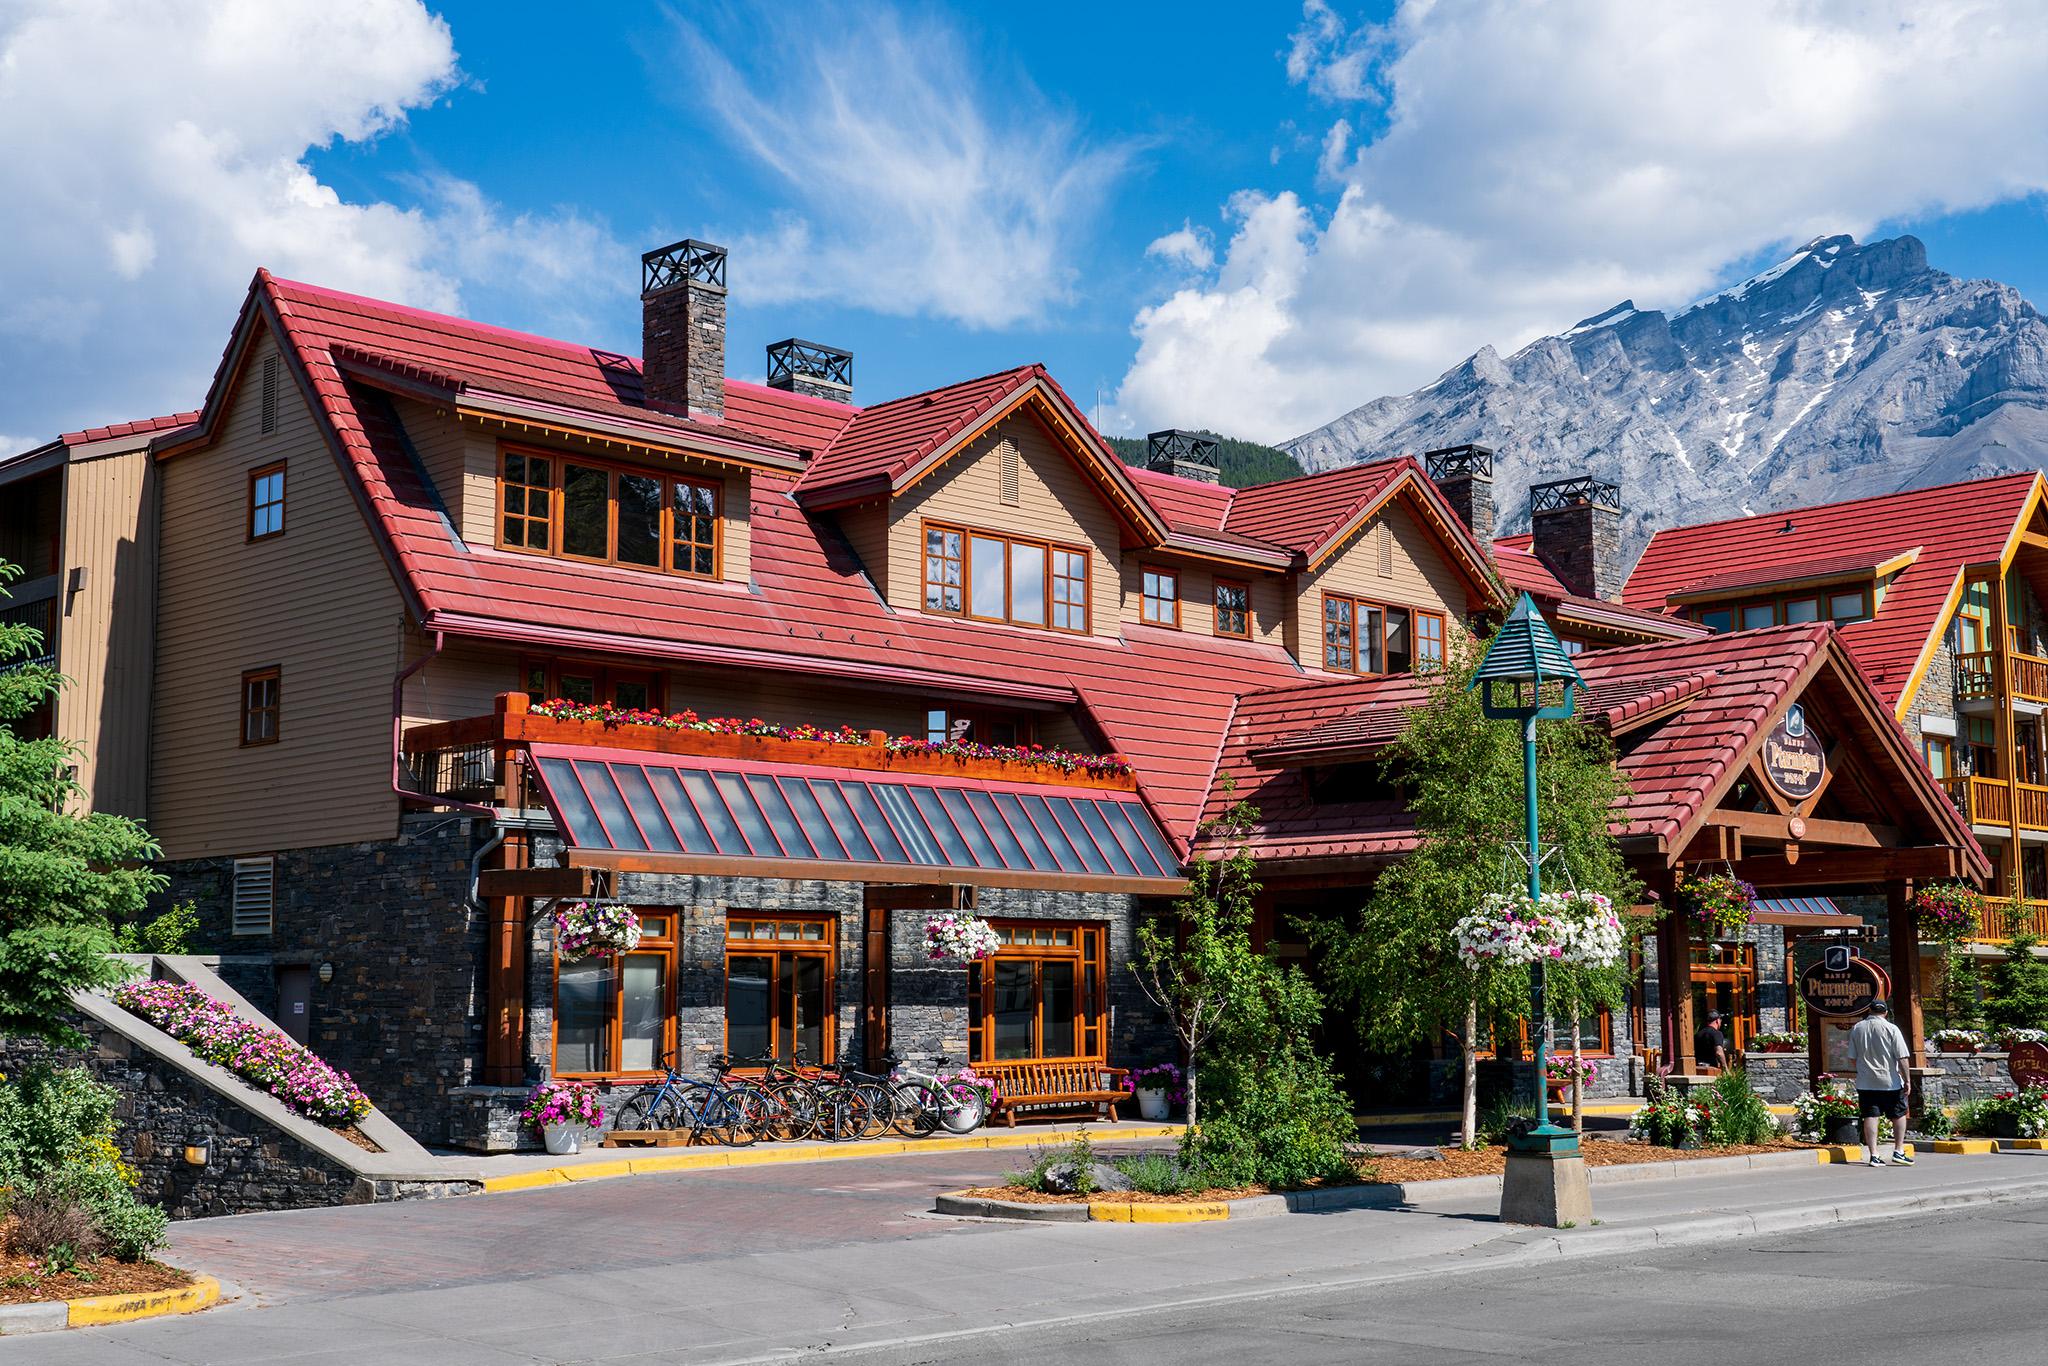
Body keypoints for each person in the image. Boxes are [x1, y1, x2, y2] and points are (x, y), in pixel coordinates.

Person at [1849, 1000, 1913, 1167]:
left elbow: (1852, 1059)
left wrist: (1864, 1070)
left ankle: (1874, 1155)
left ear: (1869, 1011)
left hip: (1866, 1082)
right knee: (1898, 1114)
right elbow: (1902, 1057)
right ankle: (1899, 1150)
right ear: (1885, 1012)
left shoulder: (1858, 1028)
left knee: (1870, 1116)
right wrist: (1907, 1080)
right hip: (1890, 1081)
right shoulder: (1892, 1029)